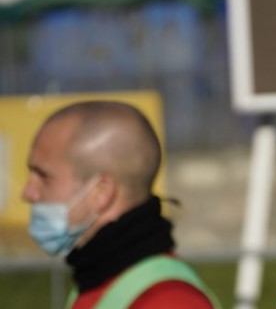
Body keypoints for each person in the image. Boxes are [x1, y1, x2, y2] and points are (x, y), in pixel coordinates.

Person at [23, 101, 220, 309]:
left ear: (101, 191)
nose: (28, 192)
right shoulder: (96, 283)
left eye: (43, 176)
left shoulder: (168, 301)